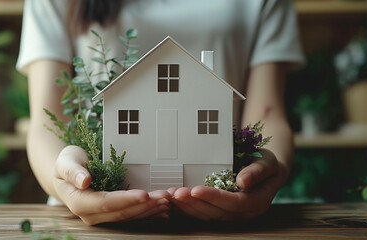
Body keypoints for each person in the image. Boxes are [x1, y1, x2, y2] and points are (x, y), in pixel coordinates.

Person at [17, 0, 304, 225]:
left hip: (226, 219)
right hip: (92, 220)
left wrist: (265, 174)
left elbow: (268, 113)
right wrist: (69, 183)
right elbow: (47, 120)